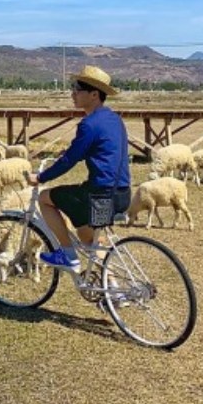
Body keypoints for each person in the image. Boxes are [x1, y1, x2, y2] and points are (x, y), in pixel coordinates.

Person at [27, 64, 131, 273]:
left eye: (77, 89)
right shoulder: (113, 119)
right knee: (87, 235)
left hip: (100, 196)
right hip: (122, 194)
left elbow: (70, 160)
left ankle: (67, 254)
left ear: (94, 94)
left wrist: (41, 177)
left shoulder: (90, 124)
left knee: (45, 198)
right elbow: (98, 149)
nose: (72, 93)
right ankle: (110, 285)